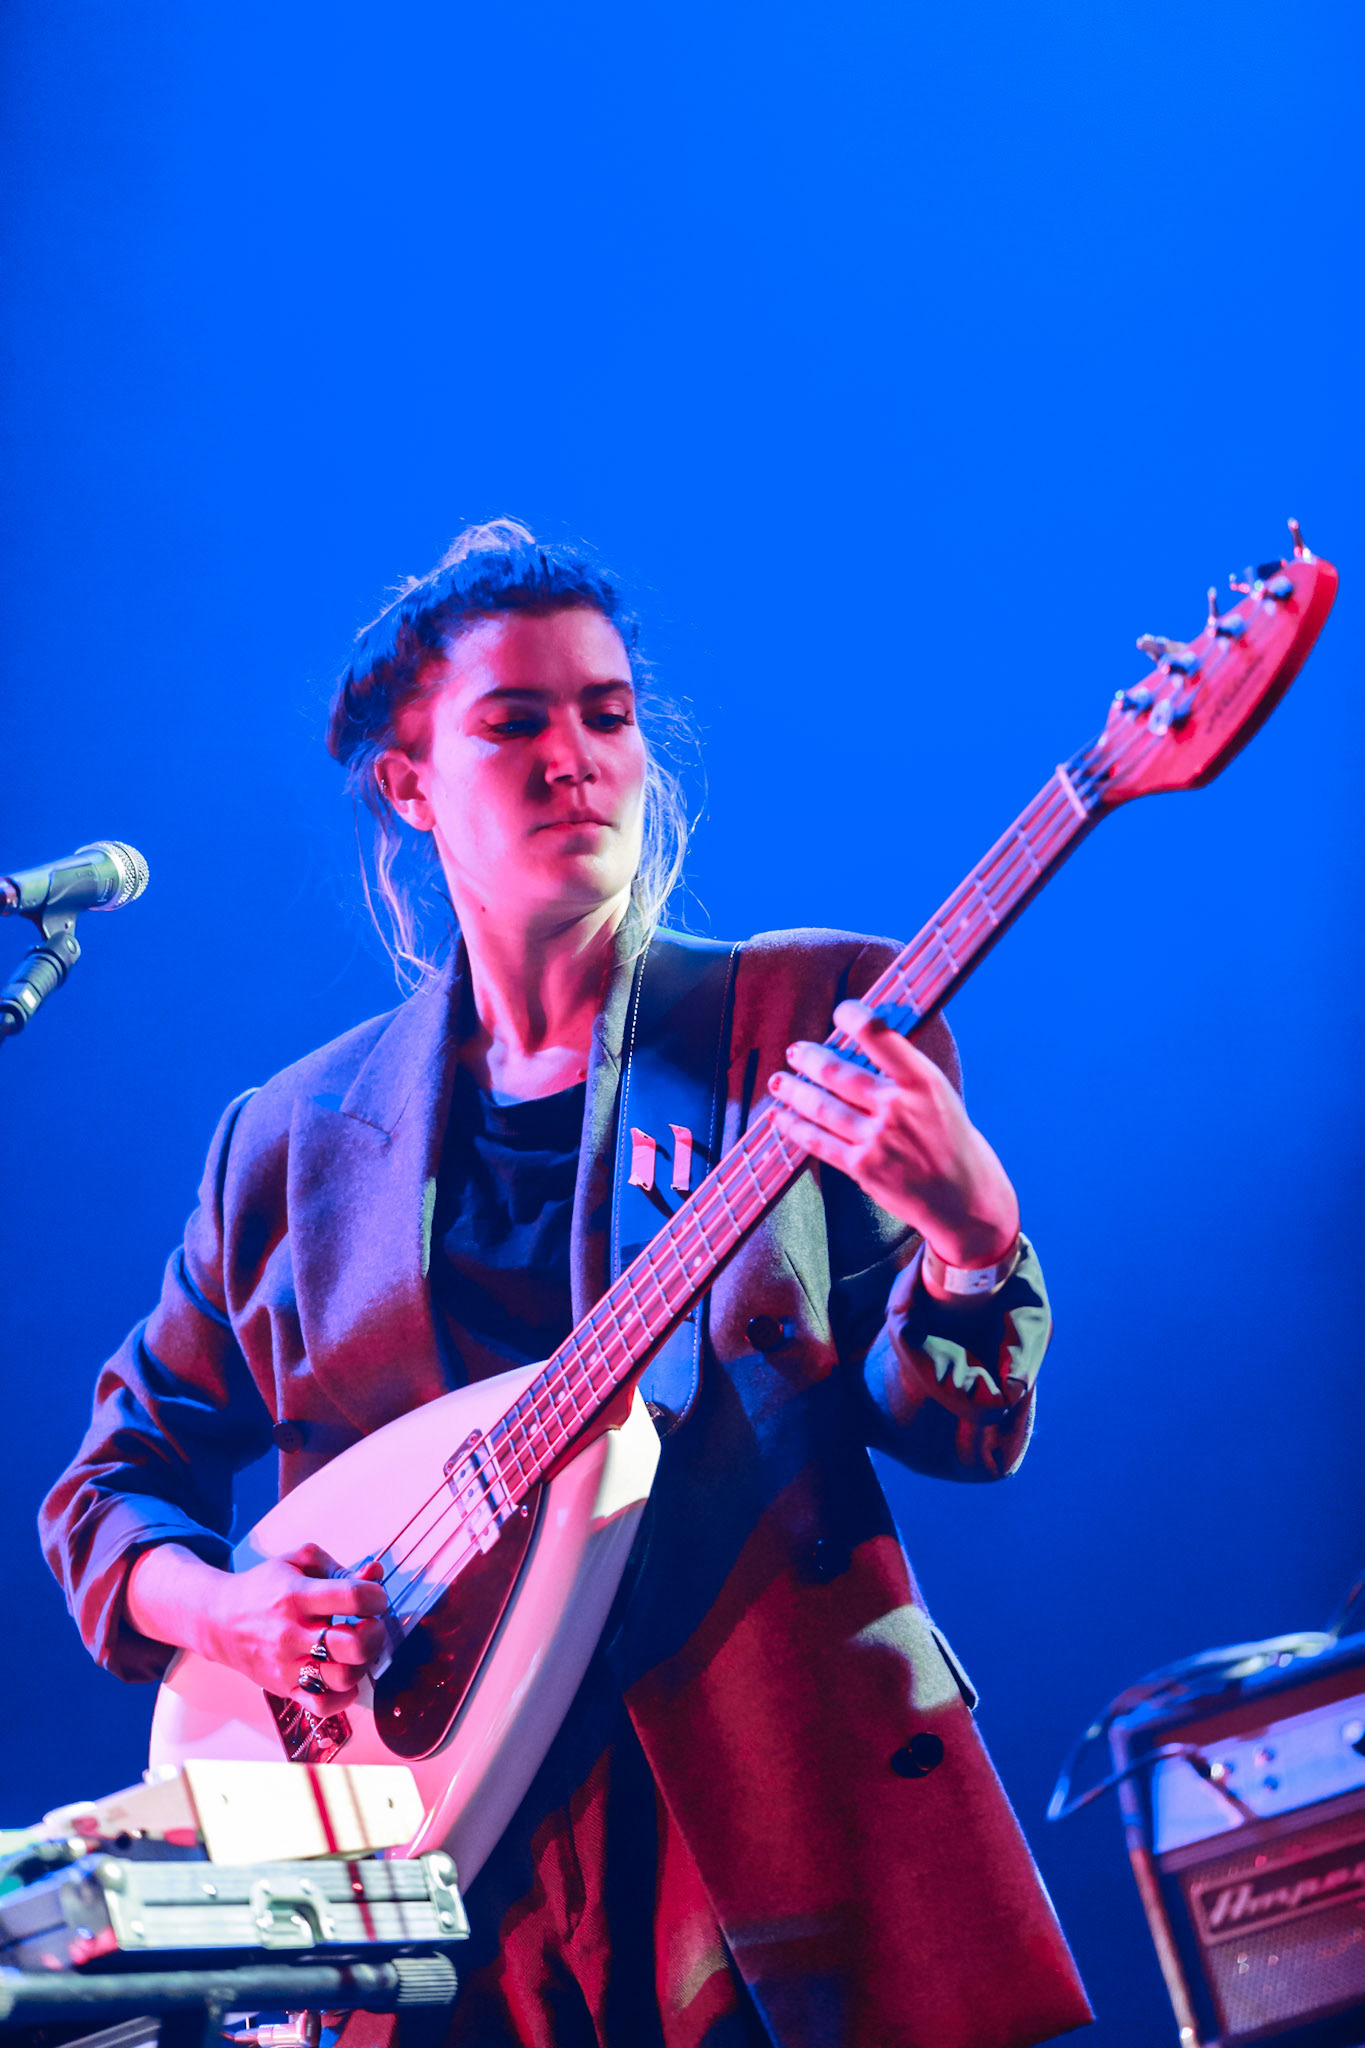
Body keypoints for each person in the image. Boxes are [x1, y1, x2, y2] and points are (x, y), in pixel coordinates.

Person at [42, 522, 1091, 2048]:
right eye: (513, 722)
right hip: (423, 1889)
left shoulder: (802, 1022)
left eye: (605, 714)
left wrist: (969, 1234)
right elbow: (108, 1483)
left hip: (758, 1839)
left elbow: (955, 1430)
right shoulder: (282, 1144)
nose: (574, 758)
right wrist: (232, 1611)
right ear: (409, 787)